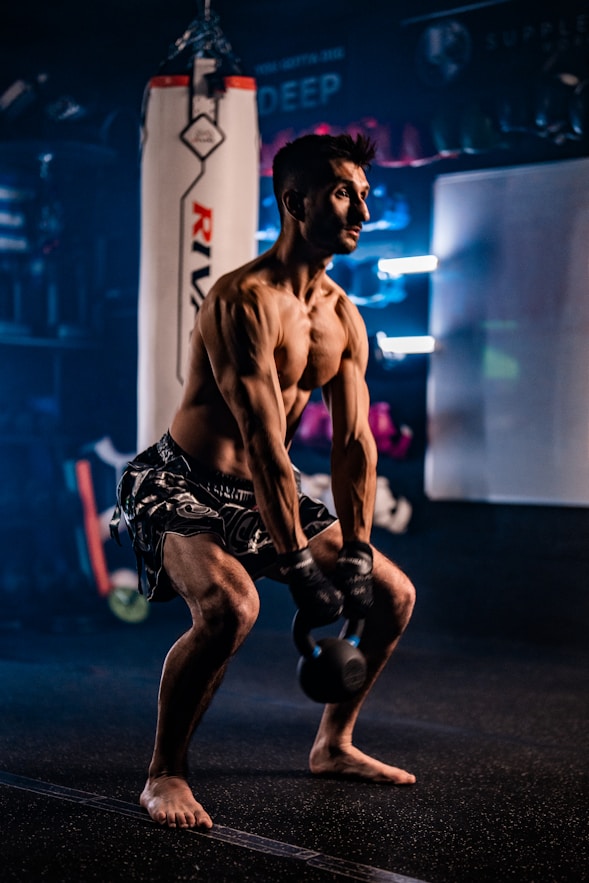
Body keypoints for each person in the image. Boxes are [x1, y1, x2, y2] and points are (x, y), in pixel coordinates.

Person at [112, 133, 416, 830]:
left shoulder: (342, 316)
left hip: (255, 491)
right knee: (230, 609)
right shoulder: (240, 300)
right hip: (179, 479)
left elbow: (352, 445)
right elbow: (260, 440)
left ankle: (333, 743)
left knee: (393, 596)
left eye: (364, 195)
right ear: (294, 201)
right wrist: (298, 564)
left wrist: (360, 554)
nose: (361, 213)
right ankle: (165, 774)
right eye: (344, 194)